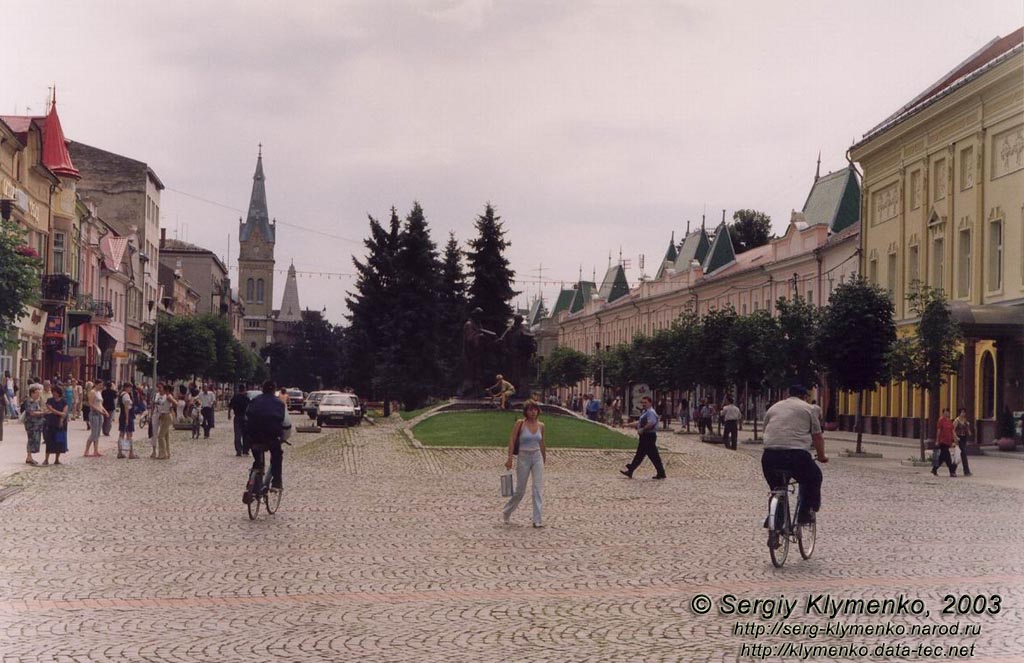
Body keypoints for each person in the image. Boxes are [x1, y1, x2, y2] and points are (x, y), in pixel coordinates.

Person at [762, 385, 828, 525]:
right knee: (813, 478)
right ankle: (806, 513)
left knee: (777, 487)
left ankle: (776, 521)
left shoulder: (774, 407)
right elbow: (817, 436)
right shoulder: (808, 408)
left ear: (788, 394)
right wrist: (822, 456)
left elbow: (766, 429)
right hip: (796, 455)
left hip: (769, 456)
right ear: (805, 397)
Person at [502, 400, 547, 527]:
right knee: (520, 490)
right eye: (530, 410)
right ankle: (507, 511)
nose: (533, 412)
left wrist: (544, 458)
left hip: (536, 456)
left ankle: (537, 519)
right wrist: (509, 458)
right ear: (526, 411)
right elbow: (512, 440)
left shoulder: (541, 425)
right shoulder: (520, 424)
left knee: (537, 488)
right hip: (523, 456)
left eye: (535, 409)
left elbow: (542, 442)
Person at [244, 380, 289, 496]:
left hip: (254, 437)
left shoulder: (254, 401)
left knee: (257, 461)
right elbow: (286, 424)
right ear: (274, 390)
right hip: (271, 437)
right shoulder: (279, 404)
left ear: (262, 389)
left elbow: (246, 417)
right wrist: (284, 437)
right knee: (277, 456)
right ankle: (276, 482)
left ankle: (252, 485)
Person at [620, 396, 666, 479]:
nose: (644, 404)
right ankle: (631, 470)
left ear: (650, 403)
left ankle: (661, 472)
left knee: (652, 455)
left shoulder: (650, 412)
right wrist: (627, 425)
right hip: (645, 436)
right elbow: (639, 423)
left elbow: (651, 423)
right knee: (641, 454)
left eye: (645, 402)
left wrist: (642, 429)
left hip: (649, 436)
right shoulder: (645, 412)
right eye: (643, 402)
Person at [43, 385, 69, 465]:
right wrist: (59, 413)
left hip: (61, 424)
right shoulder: (50, 400)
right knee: (49, 442)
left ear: (59, 393)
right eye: (53, 392)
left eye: (55, 392)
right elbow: (48, 410)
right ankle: (46, 459)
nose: (54, 394)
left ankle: (57, 459)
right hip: (51, 423)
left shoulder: (64, 402)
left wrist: (53, 410)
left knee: (59, 442)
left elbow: (64, 414)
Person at [154, 384, 178, 459]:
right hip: (163, 416)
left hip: (167, 416)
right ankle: (167, 453)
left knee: (160, 436)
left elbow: (176, 403)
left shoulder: (168, 396)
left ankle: (162, 454)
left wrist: (170, 408)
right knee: (165, 436)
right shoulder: (164, 396)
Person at [22, 385, 45, 465]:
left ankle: (30, 456)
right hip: (31, 424)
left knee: (34, 439)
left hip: (36, 424)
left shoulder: (36, 401)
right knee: (31, 439)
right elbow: (31, 412)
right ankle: (29, 457)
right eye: (37, 393)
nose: (38, 395)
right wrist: (42, 413)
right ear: (32, 393)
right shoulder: (29, 401)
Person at [932, 408, 958, 477]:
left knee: (942, 458)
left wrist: (955, 439)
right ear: (943, 413)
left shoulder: (949, 421)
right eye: (946, 412)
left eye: (948, 412)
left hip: (948, 441)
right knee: (948, 457)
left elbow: (952, 431)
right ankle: (952, 471)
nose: (947, 413)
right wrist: (937, 440)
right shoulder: (941, 420)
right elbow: (939, 430)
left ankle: (934, 469)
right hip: (942, 441)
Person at [85, 381, 108, 457]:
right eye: (100, 385)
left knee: (98, 433)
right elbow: (91, 404)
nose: (101, 386)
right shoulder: (92, 392)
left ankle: (96, 451)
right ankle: (86, 450)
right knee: (93, 433)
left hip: (100, 414)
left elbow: (100, 404)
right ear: (96, 384)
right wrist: (98, 410)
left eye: (102, 385)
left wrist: (104, 411)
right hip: (94, 414)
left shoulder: (99, 392)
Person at [117, 382, 138, 459]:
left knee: (122, 433)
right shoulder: (126, 395)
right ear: (126, 387)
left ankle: (120, 452)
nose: (131, 389)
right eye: (130, 387)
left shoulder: (122, 394)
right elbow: (126, 408)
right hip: (127, 416)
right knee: (129, 434)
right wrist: (127, 418)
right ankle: (130, 453)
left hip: (123, 416)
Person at [228, 384, 251, 457]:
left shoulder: (235, 397)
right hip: (245, 417)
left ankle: (238, 450)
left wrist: (229, 414)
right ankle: (245, 450)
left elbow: (230, 406)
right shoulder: (246, 398)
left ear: (238, 389)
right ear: (244, 389)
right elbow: (250, 408)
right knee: (246, 434)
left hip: (237, 417)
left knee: (237, 434)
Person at [954, 408, 973, 477]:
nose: (963, 414)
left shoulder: (965, 420)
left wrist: (969, 431)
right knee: (962, 454)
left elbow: (967, 428)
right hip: (959, 438)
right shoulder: (957, 420)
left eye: (964, 412)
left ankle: (965, 471)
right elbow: (952, 430)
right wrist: (955, 437)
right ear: (959, 413)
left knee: (962, 454)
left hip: (964, 438)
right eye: (962, 412)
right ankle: (965, 471)